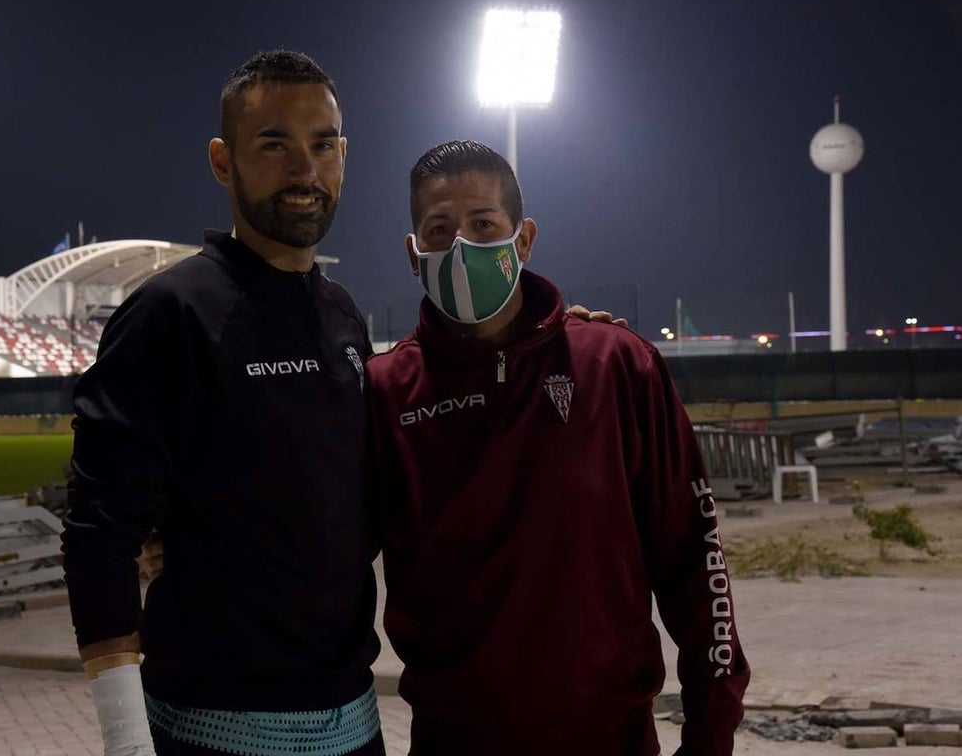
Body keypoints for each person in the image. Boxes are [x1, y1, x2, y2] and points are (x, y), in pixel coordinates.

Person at [365, 140, 751, 755]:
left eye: (483, 224)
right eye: (439, 230)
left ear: (523, 240)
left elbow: (692, 555)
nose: (461, 245)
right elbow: (330, 557)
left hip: (610, 737)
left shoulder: (617, 365)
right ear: (413, 256)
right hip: (453, 741)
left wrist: (711, 728)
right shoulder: (386, 393)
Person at [61, 50, 385, 756]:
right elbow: (98, 534)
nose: (304, 170)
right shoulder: (169, 313)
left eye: (322, 144)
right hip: (212, 725)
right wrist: (125, 738)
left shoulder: (343, 316)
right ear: (222, 159)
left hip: (356, 718)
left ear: (343, 154)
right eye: (274, 144)